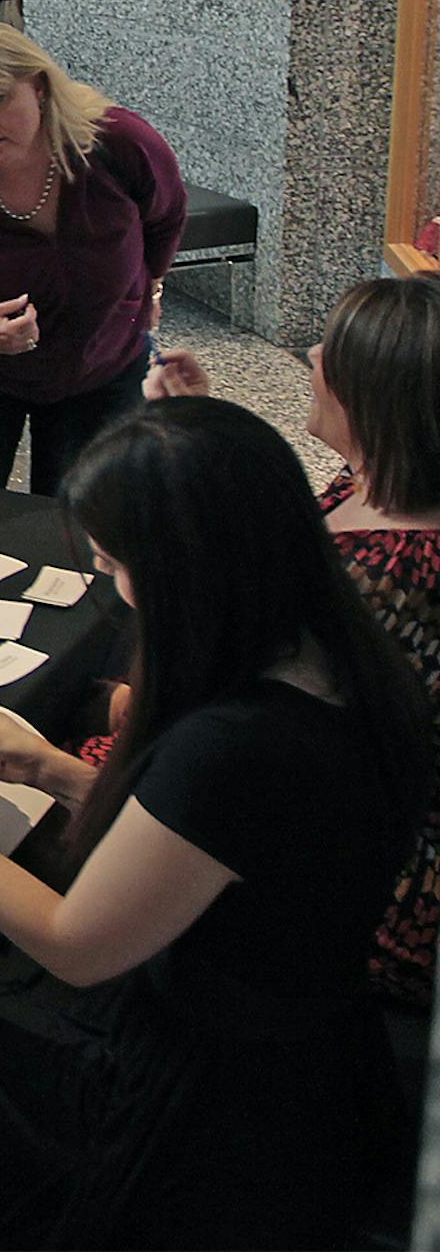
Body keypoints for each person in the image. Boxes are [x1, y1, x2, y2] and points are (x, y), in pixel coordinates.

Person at [0, 397, 430, 1248]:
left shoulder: (232, 744)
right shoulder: (342, 654)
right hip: (313, 1045)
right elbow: (219, 848)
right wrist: (61, 773)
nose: (114, 585)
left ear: (186, 570)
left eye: (114, 561)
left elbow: (76, 943)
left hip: (203, 1105)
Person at [147, 275, 440, 1006]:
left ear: (375, 396)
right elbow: (281, 544)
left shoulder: (397, 571)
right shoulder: (379, 481)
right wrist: (205, 421)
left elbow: (258, 699)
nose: (309, 354)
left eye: (329, 353)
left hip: (363, 872)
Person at [0, 22, 185, 495]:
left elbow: (164, 215)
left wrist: (150, 288)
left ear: (38, 87)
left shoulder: (117, 143)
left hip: (104, 366)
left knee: (85, 520)